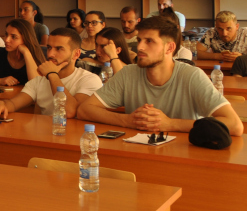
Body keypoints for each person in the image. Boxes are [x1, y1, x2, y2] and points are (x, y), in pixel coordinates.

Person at [77, 16, 243, 135]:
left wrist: (170, 124)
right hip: (139, 153)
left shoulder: (192, 76)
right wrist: (128, 121)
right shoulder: (128, 73)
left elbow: (235, 125)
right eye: (139, 40)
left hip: (184, 157)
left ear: (169, 48)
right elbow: (85, 110)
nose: (140, 47)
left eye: (149, 41)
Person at [0, 28, 101, 119]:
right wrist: (2, 104)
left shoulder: (89, 79)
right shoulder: (39, 81)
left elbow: (70, 112)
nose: (50, 54)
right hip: (44, 137)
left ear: (76, 54)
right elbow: (13, 104)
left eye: (59, 49)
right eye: (49, 47)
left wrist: (52, 74)